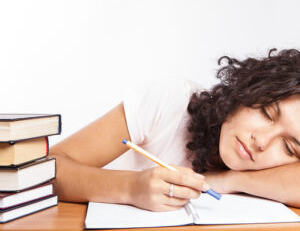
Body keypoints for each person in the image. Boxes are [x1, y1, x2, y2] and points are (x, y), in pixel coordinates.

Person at [50, 48, 300, 211]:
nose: (262, 142)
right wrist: (131, 188)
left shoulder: (272, 170)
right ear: (247, 90)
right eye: (266, 113)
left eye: (288, 147)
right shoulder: (172, 101)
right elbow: (48, 170)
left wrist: (230, 180)